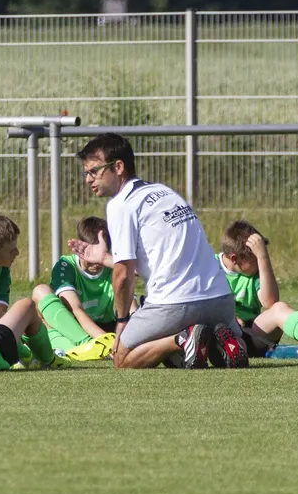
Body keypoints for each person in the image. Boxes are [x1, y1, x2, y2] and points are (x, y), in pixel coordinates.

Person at [68, 132, 245, 369]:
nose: (88, 179)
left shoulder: (121, 204)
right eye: (86, 173)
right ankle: (221, 341)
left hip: (176, 305)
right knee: (193, 349)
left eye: (94, 171)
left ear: (118, 167)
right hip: (221, 302)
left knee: (122, 358)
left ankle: (182, 339)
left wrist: (122, 321)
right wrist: (105, 258)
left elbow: (123, 275)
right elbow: (161, 263)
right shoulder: (166, 193)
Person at [215, 220, 298, 357]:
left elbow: (270, 302)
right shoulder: (210, 267)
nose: (259, 265)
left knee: (279, 308)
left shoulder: (255, 272)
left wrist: (263, 258)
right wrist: (229, 318)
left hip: (251, 335)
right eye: (255, 261)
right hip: (220, 334)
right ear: (234, 258)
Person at [31, 216, 120, 361]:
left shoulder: (114, 266)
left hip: (104, 328)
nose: (96, 261)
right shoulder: (66, 266)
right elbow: (76, 309)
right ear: (80, 248)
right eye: (91, 254)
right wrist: (104, 341)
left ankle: (68, 349)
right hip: (75, 328)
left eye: (100, 254)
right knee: (40, 291)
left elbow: (131, 307)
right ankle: (86, 345)